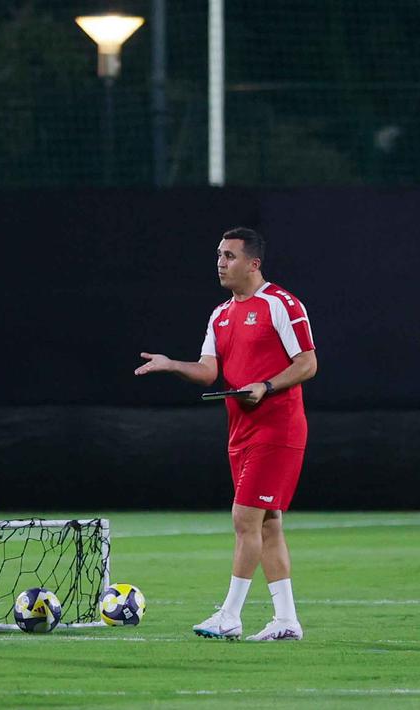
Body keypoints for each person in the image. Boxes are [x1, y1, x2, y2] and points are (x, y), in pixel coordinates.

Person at [135, 227, 317, 642]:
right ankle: (286, 620)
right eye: (219, 254)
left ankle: (230, 616)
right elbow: (208, 371)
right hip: (240, 430)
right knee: (268, 524)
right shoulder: (220, 314)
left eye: (230, 256)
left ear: (254, 263)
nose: (220, 262)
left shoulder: (280, 304)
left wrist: (266, 386)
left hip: (277, 427)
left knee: (244, 518)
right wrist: (172, 364)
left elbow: (307, 363)